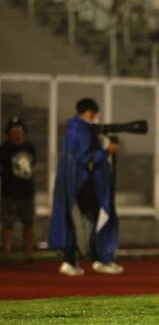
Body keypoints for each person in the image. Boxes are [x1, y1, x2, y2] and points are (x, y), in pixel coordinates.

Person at [48, 98, 123, 276]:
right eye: (93, 114)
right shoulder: (82, 130)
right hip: (85, 183)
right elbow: (85, 159)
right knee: (98, 219)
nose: (95, 118)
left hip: (75, 183)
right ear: (85, 114)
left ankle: (74, 260)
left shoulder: (73, 129)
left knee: (76, 221)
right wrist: (106, 152)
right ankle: (97, 259)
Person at [0, 117, 36, 261]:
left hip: (26, 191)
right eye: (14, 130)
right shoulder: (4, 149)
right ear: (8, 133)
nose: (17, 132)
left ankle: (29, 253)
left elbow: (33, 164)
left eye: (20, 129)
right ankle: (7, 253)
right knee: (8, 224)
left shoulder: (30, 147)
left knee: (28, 223)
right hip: (9, 193)